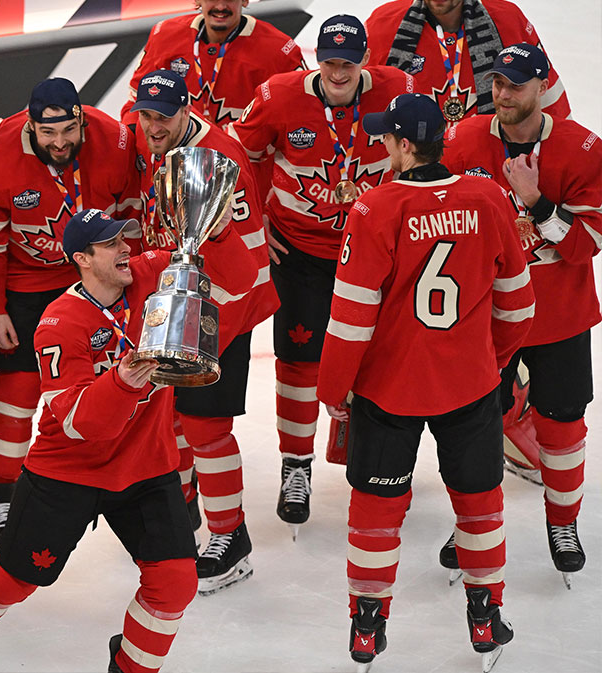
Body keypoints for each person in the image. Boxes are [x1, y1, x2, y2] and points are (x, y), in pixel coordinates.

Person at [0, 208, 252, 673]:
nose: (126, 248)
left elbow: (238, 279)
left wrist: (216, 230)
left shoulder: (152, 274)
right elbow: (81, 425)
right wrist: (124, 379)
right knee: (9, 585)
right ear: (82, 258)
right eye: (111, 243)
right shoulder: (58, 324)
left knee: (175, 583)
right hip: (67, 474)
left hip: (145, 468)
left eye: (126, 238)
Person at [315, 93, 534, 671]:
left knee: (375, 510)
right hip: (470, 384)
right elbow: (517, 304)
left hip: (391, 390)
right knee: (480, 505)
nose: (381, 144)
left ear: (405, 146)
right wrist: (491, 360)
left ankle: (367, 626)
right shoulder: (488, 197)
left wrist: (333, 391)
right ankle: (485, 615)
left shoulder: (374, 209)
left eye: (386, 136)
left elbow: (350, 317)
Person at [228, 15, 414, 536]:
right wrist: (255, 220)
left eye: (348, 62)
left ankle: (374, 459)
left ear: (363, 60)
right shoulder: (279, 94)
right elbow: (240, 156)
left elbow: (420, 153)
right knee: (297, 358)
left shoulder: (398, 89)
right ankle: (296, 465)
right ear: (317, 59)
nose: (338, 71)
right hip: (303, 249)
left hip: (374, 250)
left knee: (379, 356)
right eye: (330, 61)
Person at [442, 44, 600, 587]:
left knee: (562, 425)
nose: (502, 95)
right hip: (486, 316)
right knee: (475, 424)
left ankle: (564, 524)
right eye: (497, 85)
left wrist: (536, 204)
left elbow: (588, 244)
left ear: (541, 88)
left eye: (515, 85)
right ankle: (473, 526)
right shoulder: (464, 139)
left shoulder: (582, 150)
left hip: (559, 316)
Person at [0, 77, 141, 542]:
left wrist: (140, 283)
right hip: (29, 280)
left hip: (98, 278)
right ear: (31, 126)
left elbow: (135, 219)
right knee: (17, 389)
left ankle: (136, 483)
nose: (60, 142)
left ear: (81, 118)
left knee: (117, 384)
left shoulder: (115, 141)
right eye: (49, 134)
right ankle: (2, 490)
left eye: (69, 130)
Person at [132, 69, 275, 594]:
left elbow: (245, 264)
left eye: (162, 117)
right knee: (168, 423)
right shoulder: (151, 139)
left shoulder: (221, 160)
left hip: (220, 308)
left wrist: (208, 324)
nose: (151, 126)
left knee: (206, 430)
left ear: (187, 110)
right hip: (172, 299)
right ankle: (185, 514)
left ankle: (229, 536)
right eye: (144, 115)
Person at [366, 0, 570, 123]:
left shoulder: (508, 21)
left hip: (489, 174)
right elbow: (358, 108)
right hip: (411, 180)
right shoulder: (382, 25)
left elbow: (550, 107)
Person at [121, 0, 304, 125]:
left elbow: (303, 116)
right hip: (176, 166)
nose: (220, 6)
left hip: (246, 169)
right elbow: (135, 105)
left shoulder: (279, 49)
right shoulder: (164, 35)